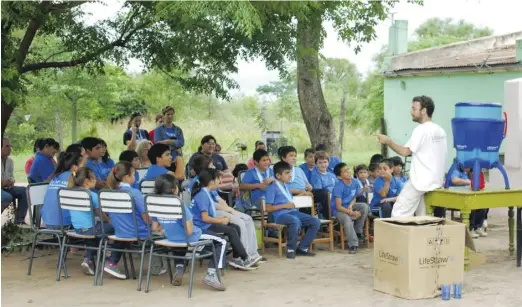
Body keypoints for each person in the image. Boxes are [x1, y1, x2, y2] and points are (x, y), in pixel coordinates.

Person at [376, 95, 447, 217]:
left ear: (424, 111)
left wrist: (388, 141)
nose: (411, 112)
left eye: (414, 109)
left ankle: (399, 236)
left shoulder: (421, 130)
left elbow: (405, 152)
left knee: (398, 214)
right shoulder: (440, 130)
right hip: (435, 181)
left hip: (419, 182)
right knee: (422, 217)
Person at [152, 174, 226, 290]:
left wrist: (167, 225)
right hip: (190, 236)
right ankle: (211, 274)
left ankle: (179, 267)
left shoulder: (156, 204)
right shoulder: (179, 204)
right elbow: (190, 231)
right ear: (173, 189)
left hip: (171, 238)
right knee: (221, 241)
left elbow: (155, 228)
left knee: (180, 241)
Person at [190, 169, 256, 270]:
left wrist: (221, 218)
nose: (220, 182)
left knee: (235, 227)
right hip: (202, 227)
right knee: (231, 230)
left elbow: (208, 215)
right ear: (211, 182)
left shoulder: (206, 192)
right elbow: (205, 218)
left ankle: (237, 258)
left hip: (206, 223)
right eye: (218, 179)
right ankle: (245, 257)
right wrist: (221, 221)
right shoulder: (203, 195)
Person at [104, 161, 152, 279]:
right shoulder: (134, 193)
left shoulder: (109, 193)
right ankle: (160, 267)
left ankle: (111, 262)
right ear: (126, 177)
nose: (135, 176)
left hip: (119, 231)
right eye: (133, 173)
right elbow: (145, 217)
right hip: (138, 232)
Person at [265, 161, 320, 259]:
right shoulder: (272, 188)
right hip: (279, 216)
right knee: (294, 221)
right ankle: (291, 249)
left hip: (293, 212)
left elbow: (290, 201)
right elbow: (268, 208)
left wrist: (302, 194)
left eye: (290, 173)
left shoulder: (286, 186)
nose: (290, 176)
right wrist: (284, 206)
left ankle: (302, 248)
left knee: (315, 221)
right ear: (278, 175)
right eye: (287, 173)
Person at [68, 167, 114, 275]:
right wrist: (109, 221)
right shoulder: (91, 195)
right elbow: (101, 216)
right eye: (94, 178)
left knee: (96, 232)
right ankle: (108, 257)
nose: (96, 180)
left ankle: (88, 259)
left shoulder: (70, 193)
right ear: (86, 181)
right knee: (111, 228)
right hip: (90, 229)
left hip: (77, 229)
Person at [331, 162, 369, 254]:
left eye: (348, 169)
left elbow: (354, 197)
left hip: (349, 206)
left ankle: (358, 232)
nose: (348, 172)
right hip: (339, 210)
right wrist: (351, 213)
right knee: (347, 219)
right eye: (345, 171)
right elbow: (338, 207)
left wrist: (351, 205)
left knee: (364, 206)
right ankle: (353, 245)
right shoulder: (338, 186)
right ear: (340, 177)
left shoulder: (355, 182)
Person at [41, 151, 84, 228]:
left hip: (48, 222)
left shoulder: (55, 177)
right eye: (83, 166)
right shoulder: (74, 179)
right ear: (74, 167)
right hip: (65, 223)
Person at [1, 137, 28, 223]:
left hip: (6, 187)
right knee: (6, 197)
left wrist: (11, 181)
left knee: (25, 191)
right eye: (7, 146)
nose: (10, 148)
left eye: (10, 146)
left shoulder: (10, 161)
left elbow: (11, 176)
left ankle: (19, 220)